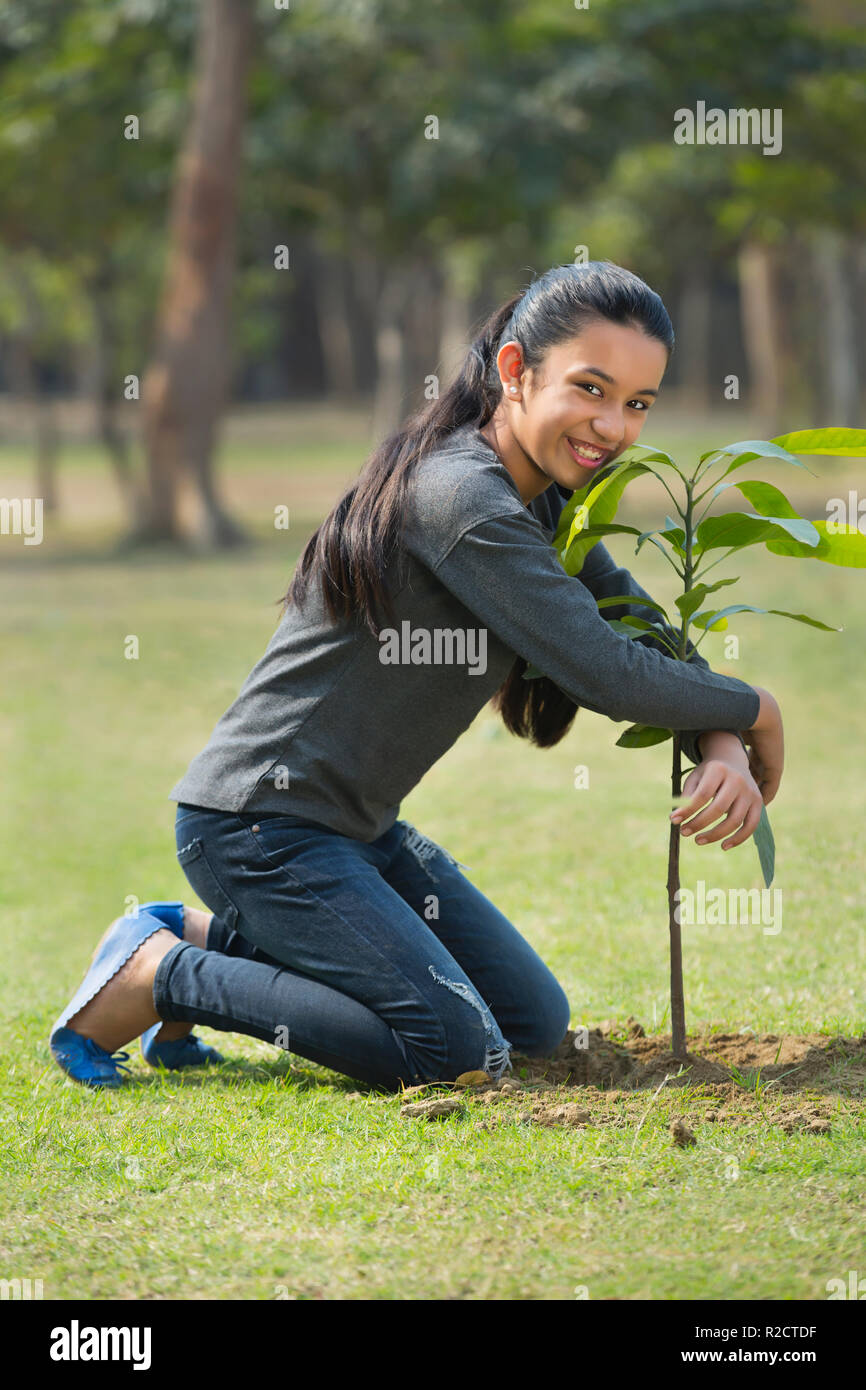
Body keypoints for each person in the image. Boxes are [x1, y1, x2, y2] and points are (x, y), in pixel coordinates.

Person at [49, 260, 784, 1091]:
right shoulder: (462, 497)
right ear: (515, 371)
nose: (612, 426)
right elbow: (601, 670)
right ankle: (161, 974)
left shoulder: (541, 501)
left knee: (532, 1026)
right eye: (590, 388)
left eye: (637, 404)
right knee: (454, 1054)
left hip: (355, 835)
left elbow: (636, 628)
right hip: (259, 829)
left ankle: (195, 934)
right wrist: (757, 708)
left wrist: (721, 740)